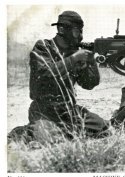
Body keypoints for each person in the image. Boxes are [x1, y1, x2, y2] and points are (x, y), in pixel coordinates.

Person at [8, 11, 109, 143]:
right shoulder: (43, 47)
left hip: (69, 110)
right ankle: (23, 133)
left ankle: (65, 131)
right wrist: (73, 59)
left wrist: (91, 62)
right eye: (77, 31)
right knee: (53, 140)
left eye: (81, 32)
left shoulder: (74, 52)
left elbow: (89, 84)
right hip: (44, 111)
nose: (81, 36)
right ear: (62, 29)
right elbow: (46, 74)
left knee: (103, 128)